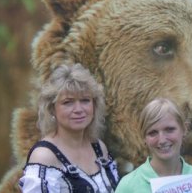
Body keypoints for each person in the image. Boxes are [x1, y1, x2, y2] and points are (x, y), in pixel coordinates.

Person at [19, 63, 119, 193]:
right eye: (68, 102)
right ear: (52, 109)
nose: (78, 109)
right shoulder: (44, 156)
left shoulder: (99, 148)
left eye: (85, 100)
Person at [115, 98, 192, 192]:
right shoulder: (128, 186)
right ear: (144, 137)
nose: (162, 140)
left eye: (169, 129)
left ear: (184, 129)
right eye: (153, 133)